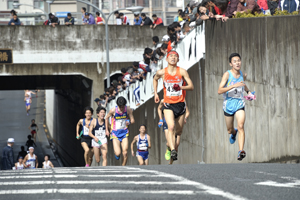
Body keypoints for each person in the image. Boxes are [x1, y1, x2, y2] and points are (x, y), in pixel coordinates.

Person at [153, 50, 194, 161]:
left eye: (175, 56)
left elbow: (191, 86)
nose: (173, 58)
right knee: (171, 127)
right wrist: (156, 93)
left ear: (178, 59)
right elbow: (155, 79)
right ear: (166, 59)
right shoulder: (161, 72)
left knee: (178, 132)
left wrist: (181, 87)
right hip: (168, 105)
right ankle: (173, 150)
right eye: (170, 56)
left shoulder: (182, 72)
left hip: (180, 105)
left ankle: (169, 147)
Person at [217, 53, 255, 161]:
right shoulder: (227, 75)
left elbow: (242, 84)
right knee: (229, 130)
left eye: (239, 60)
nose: (237, 63)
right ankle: (233, 133)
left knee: (241, 125)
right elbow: (219, 90)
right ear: (231, 64)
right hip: (228, 105)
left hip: (239, 103)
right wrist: (233, 85)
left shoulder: (243, 74)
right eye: (235, 61)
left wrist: (249, 92)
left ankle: (241, 151)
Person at [158, 99, 190, 164]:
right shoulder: (164, 100)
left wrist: (185, 118)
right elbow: (159, 109)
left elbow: (187, 112)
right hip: (168, 123)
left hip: (177, 123)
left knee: (177, 144)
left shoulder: (182, 100)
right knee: (169, 143)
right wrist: (160, 119)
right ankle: (168, 148)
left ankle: (171, 162)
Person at [105, 97, 135, 166]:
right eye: (120, 107)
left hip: (124, 133)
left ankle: (123, 166)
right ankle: (117, 154)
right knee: (118, 153)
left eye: (122, 107)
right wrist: (107, 129)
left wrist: (129, 122)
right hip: (115, 133)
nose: (121, 108)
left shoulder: (128, 109)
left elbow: (133, 120)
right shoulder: (113, 110)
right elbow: (106, 118)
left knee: (125, 152)